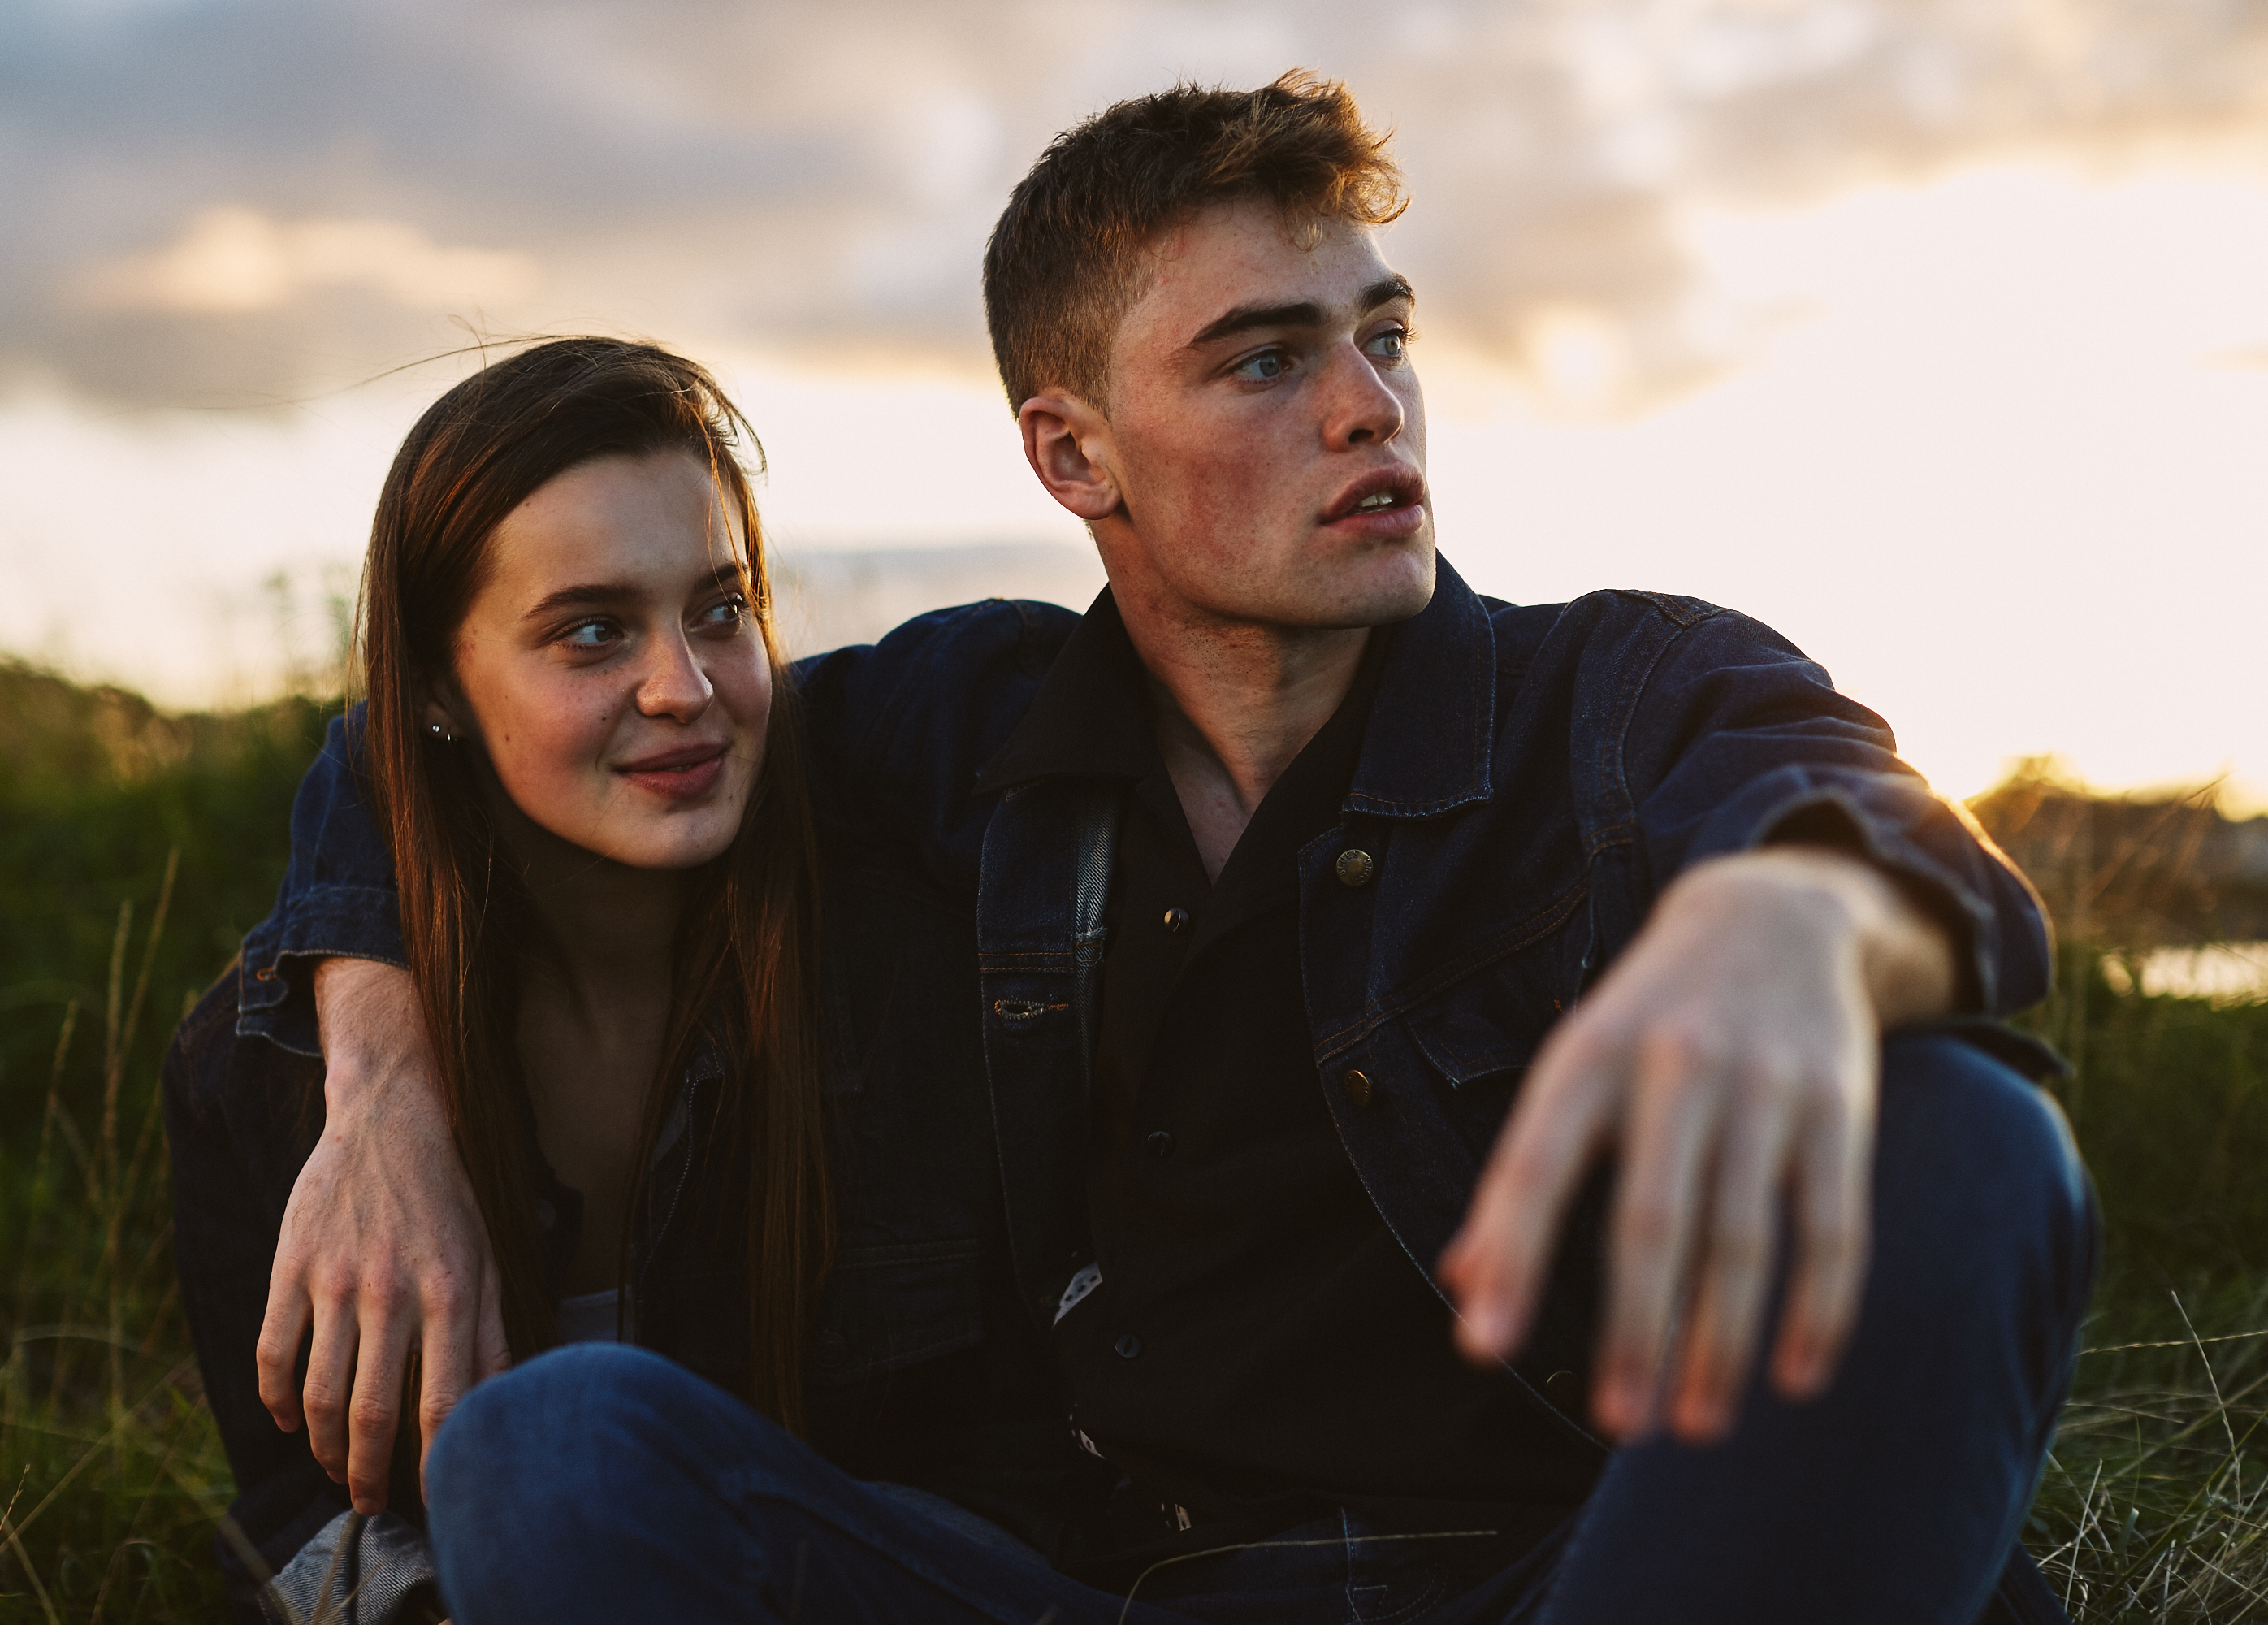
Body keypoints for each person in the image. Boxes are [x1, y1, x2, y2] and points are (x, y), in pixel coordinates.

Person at [238, 76, 2093, 1623]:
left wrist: (1795, 920)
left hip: (1578, 1570)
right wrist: (378, 1082)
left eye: (1381, 337)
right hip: (1131, 1594)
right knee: (547, 1451)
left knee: (1969, 1142)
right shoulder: (967, 734)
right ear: (1075, 455)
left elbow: (1857, 809)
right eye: (1263, 363)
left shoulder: (1614, 694)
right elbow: (453, 735)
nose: (1368, 404)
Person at [166, 339, 1054, 1621]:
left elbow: (1019, 1470)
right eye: (590, 632)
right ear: (433, 688)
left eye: (719, 608)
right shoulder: (260, 1074)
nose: (683, 688)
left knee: (558, 1442)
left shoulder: (908, 955)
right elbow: (299, 1515)